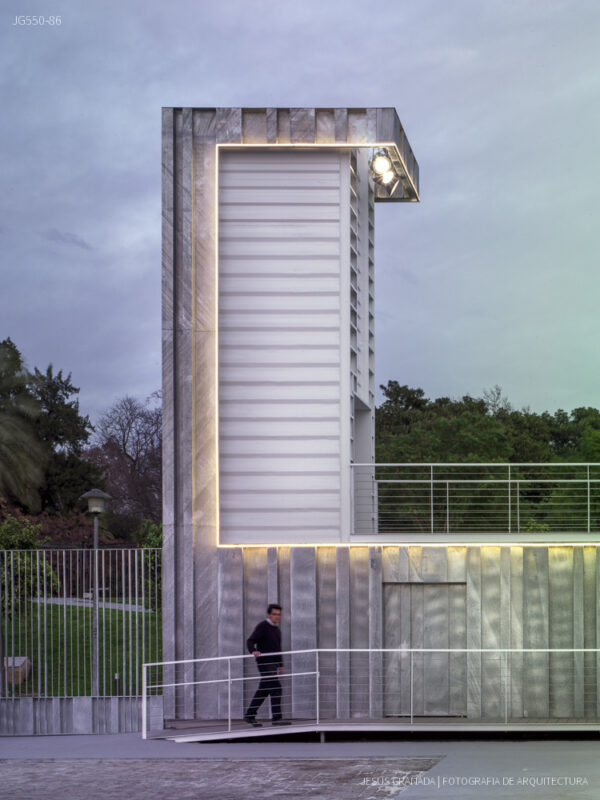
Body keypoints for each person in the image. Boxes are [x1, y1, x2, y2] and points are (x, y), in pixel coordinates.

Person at [243, 603, 291, 726]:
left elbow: (277, 648)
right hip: (264, 662)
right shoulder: (263, 627)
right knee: (276, 688)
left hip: (273, 663)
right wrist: (253, 651)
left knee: (263, 690)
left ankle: (250, 714)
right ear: (269, 615)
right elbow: (251, 640)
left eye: (279, 614)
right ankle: (276, 718)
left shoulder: (276, 629)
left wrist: (280, 664)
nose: (277, 616)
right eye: (274, 614)